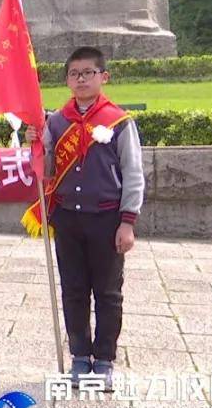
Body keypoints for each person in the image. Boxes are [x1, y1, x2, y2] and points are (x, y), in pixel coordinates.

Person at [25, 46, 144, 389]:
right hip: (67, 219)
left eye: (88, 72)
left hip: (106, 220)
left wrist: (128, 222)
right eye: (74, 73)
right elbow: (45, 171)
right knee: (73, 290)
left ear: (103, 77)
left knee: (108, 292)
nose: (81, 79)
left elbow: (133, 174)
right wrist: (36, 145)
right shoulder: (56, 121)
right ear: (67, 80)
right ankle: (79, 354)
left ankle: (104, 358)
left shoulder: (119, 122)